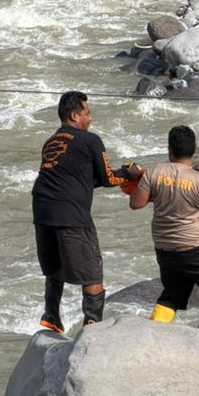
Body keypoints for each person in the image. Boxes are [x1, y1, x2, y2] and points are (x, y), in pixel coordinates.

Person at [129, 125, 199, 336]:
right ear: (194, 148)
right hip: (194, 249)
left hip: (165, 251)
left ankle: (152, 338)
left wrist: (139, 178)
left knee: (172, 296)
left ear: (169, 150)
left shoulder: (153, 172)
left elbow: (136, 203)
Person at [31, 90, 127, 335]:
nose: (90, 118)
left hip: (42, 211)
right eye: (87, 113)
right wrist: (130, 174)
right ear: (74, 116)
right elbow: (108, 178)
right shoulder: (90, 140)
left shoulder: (52, 141)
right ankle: (92, 328)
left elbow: (79, 180)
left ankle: (51, 316)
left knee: (55, 268)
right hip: (71, 213)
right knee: (92, 272)